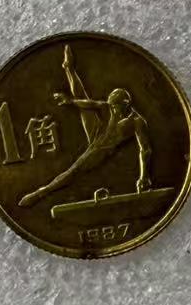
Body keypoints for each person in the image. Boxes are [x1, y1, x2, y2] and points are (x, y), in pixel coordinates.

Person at [18, 46, 153, 206]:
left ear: (126, 104)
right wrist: (70, 101)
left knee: (73, 171)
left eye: (115, 108)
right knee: (83, 102)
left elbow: (145, 150)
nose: (112, 110)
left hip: (102, 148)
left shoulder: (137, 122)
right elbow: (92, 103)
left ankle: (41, 192)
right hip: (97, 132)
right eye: (111, 107)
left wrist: (144, 176)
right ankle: (69, 68)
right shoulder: (111, 106)